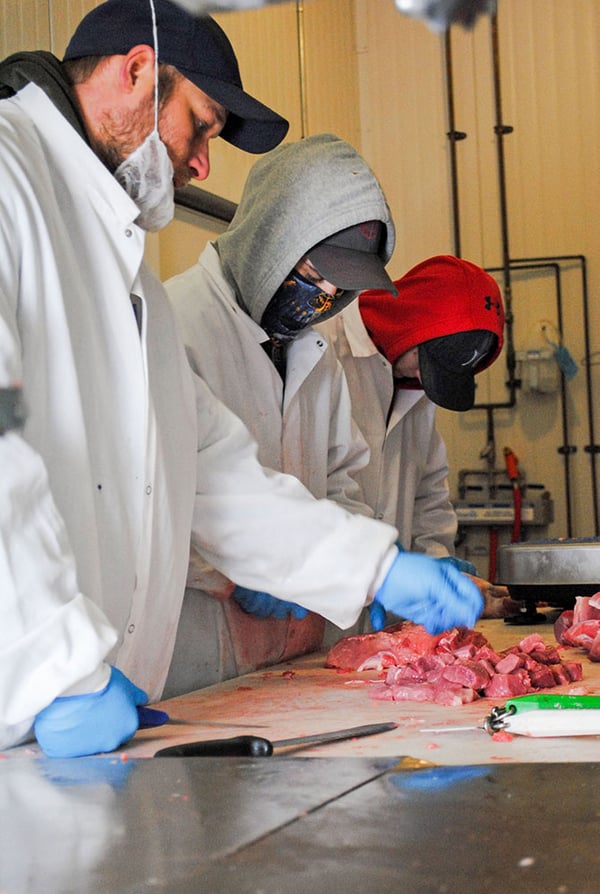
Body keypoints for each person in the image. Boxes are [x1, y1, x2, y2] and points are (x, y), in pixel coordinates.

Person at [0, 0, 481, 759]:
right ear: (135, 73)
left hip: (85, 717)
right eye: (201, 124)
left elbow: (211, 472)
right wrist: (55, 666)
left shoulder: (123, 273)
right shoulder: (8, 182)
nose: (202, 165)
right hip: (35, 698)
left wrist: (374, 565)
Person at [165, 132, 398, 691]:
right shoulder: (174, 326)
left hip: (299, 652)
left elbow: (342, 483)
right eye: (315, 277)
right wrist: (230, 573)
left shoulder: (315, 354)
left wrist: (368, 573)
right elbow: (153, 500)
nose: (323, 299)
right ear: (270, 236)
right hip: (196, 652)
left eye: (339, 290)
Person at [318, 254, 519, 619]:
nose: (426, 382)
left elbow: (430, 494)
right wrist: (375, 565)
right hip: (313, 598)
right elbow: (322, 483)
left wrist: (437, 569)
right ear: (409, 324)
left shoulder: (412, 383)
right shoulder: (323, 345)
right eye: (429, 366)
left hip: (385, 619)